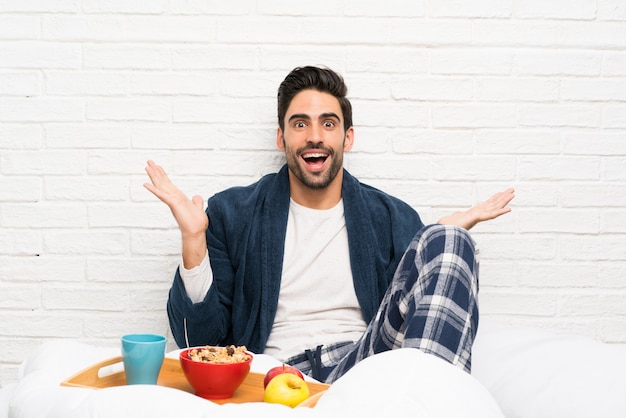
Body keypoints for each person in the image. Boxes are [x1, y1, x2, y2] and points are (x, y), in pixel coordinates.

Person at [144, 65, 514, 383]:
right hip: (279, 376)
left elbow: (416, 306)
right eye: (300, 123)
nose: (315, 136)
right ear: (281, 137)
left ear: (346, 138)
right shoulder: (232, 213)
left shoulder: (388, 216)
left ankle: (424, 401)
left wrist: (439, 239)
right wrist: (194, 239)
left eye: (328, 123)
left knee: (449, 239)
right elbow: (199, 342)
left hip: (364, 367)